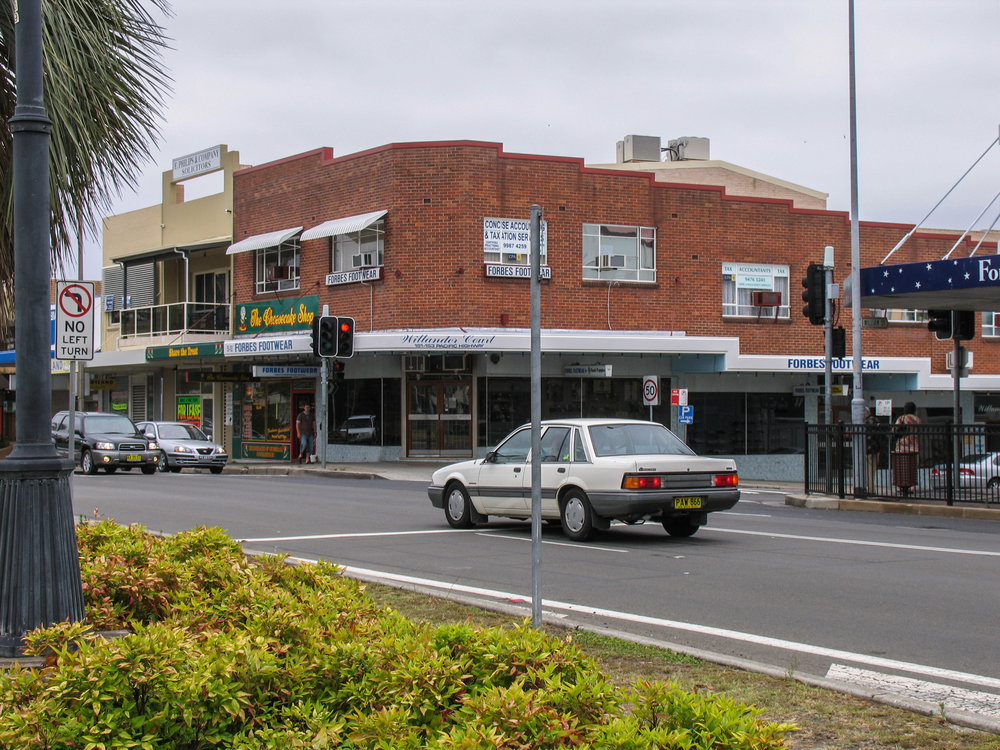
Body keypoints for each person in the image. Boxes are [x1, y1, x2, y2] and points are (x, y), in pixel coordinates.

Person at [892, 401, 920, 496]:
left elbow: (894, 430)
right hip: (914, 445)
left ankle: (902, 485)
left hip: (902, 444)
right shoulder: (917, 420)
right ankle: (912, 486)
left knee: (902, 466)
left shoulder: (902, 418)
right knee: (913, 466)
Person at [864, 407, 882, 494]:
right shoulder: (876, 421)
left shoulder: (866, 422)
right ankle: (871, 489)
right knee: (872, 470)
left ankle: (870, 489)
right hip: (876, 449)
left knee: (869, 470)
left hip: (868, 449)